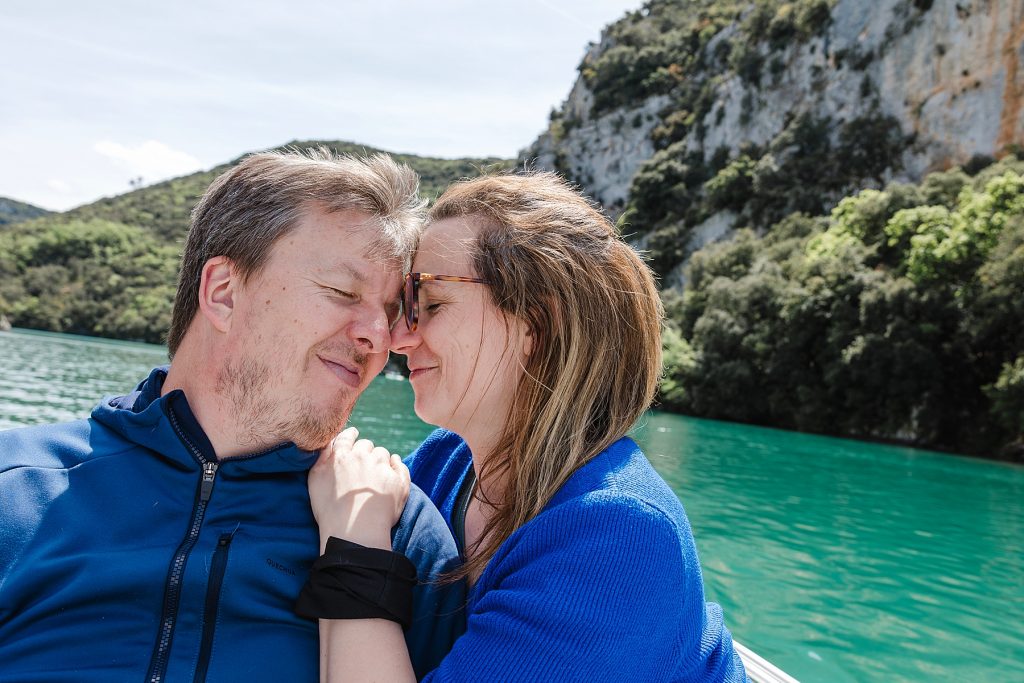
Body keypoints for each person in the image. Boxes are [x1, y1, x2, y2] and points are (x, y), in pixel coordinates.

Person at [0, 150, 463, 682]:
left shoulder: (398, 537)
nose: (380, 339)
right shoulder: (16, 487)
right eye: (342, 292)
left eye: (388, 312)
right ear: (222, 293)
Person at [306, 171, 749, 681]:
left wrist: (356, 536)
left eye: (430, 305)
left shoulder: (617, 537)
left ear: (539, 323)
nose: (398, 338)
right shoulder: (446, 460)